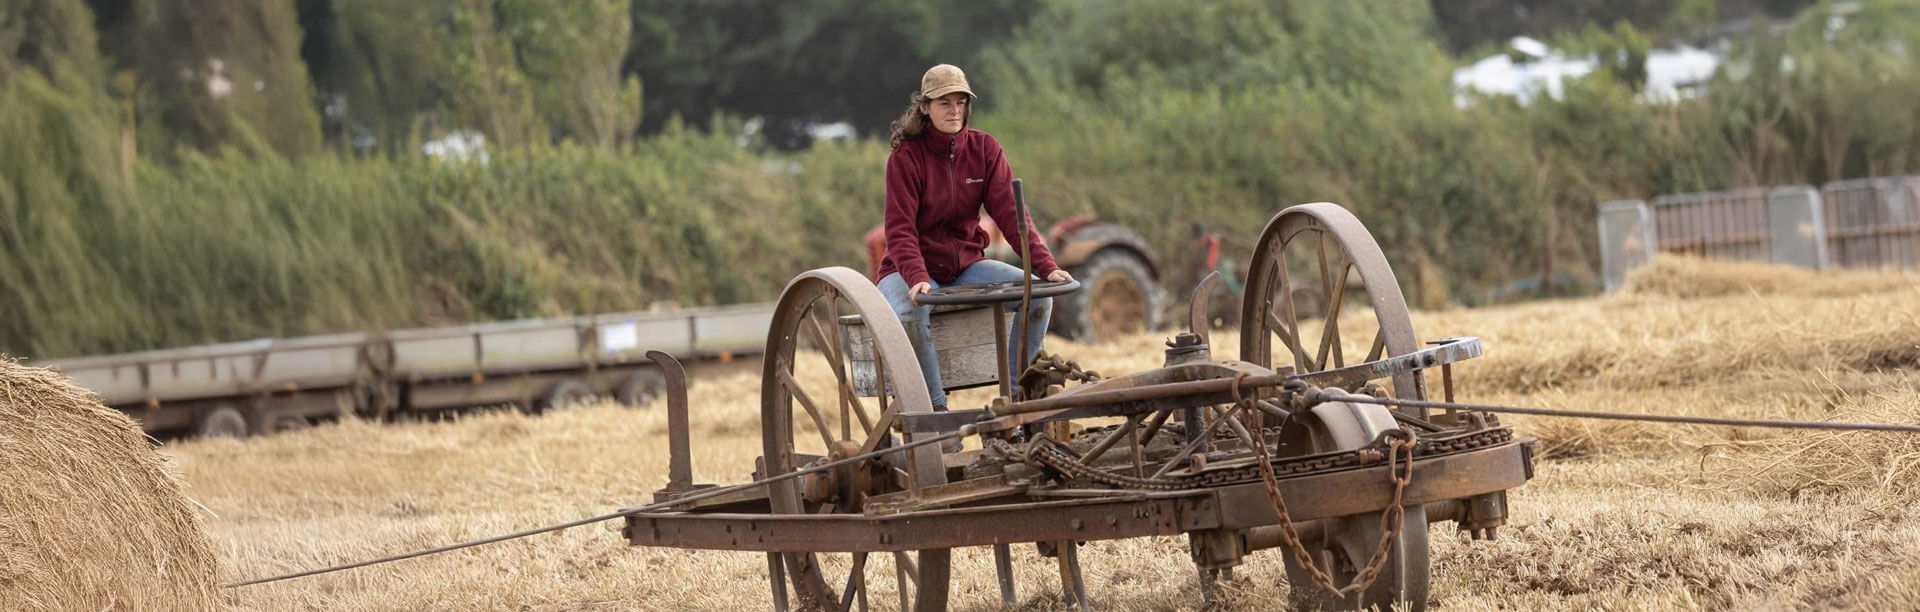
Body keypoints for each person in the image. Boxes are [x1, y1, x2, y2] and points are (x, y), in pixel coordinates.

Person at [874, 64, 1073, 412]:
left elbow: (1013, 216)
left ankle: (1020, 401)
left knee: (1038, 296)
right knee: (909, 308)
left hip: (966, 265)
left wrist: (1046, 266)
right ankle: (933, 411)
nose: (954, 111)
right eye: (944, 103)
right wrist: (918, 277)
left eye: (960, 102)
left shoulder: (985, 150)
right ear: (924, 107)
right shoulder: (906, 158)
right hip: (909, 269)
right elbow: (900, 228)